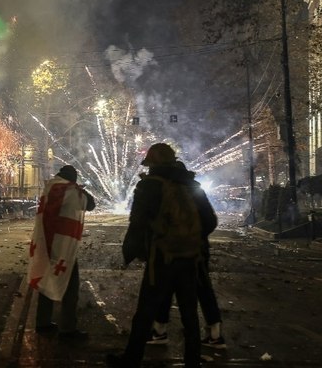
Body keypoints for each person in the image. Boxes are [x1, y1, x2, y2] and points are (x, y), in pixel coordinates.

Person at [106, 143, 217, 368]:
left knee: (146, 311)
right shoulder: (192, 185)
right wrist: (191, 239)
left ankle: (131, 360)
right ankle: (192, 362)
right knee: (189, 314)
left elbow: (136, 223)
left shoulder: (148, 186)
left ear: (152, 164)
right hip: (189, 258)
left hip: (161, 258)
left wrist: (134, 251)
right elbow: (210, 221)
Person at [146, 162, 225, 349]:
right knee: (203, 289)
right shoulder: (196, 189)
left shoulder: (166, 189)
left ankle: (159, 331)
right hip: (197, 250)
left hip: (169, 251)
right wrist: (196, 236)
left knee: (165, 289)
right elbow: (211, 221)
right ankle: (215, 333)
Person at [27, 165, 96, 340]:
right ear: (72, 179)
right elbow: (91, 204)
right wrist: (79, 189)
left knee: (45, 280)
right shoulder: (71, 191)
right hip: (63, 248)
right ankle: (68, 329)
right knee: (70, 288)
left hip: (46, 245)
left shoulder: (49, 187)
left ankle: (42, 322)